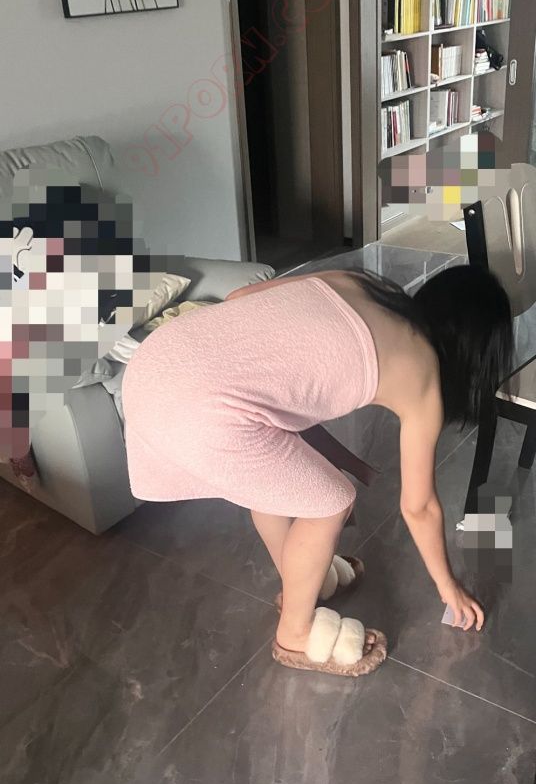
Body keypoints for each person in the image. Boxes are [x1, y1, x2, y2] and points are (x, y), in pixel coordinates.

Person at [122, 265, 513, 677]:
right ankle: (295, 632)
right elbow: (419, 508)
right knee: (333, 501)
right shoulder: (422, 377)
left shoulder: (357, 282)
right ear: (478, 352)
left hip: (156, 361)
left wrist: (320, 434)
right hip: (194, 410)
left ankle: (302, 579)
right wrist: (449, 587)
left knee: (275, 480)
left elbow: (240, 299)